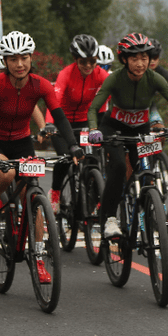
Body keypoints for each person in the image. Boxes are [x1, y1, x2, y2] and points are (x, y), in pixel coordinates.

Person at [0, 32, 80, 283]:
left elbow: (59, 116)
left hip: (22, 142)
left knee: (33, 197)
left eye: (24, 58)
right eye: (13, 59)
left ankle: (40, 259)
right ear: (5, 61)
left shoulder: (41, 85)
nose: (19, 64)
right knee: (6, 173)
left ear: (31, 58)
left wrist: (74, 146)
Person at [86, 33, 168, 239]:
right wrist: (94, 130)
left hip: (140, 130)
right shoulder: (115, 78)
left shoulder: (154, 78)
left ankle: (144, 205)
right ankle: (110, 218)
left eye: (144, 58)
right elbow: (93, 108)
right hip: (113, 129)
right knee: (118, 167)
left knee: (146, 169)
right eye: (134, 58)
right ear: (124, 60)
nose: (140, 63)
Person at [47, 34, 108, 207]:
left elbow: (112, 98)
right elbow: (54, 101)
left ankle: (95, 198)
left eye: (92, 60)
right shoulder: (65, 74)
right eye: (83, 62)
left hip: (84, 122)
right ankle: (55, 194)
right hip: (62, 122)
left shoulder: (101, 75)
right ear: (75, 59)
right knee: (66, 158)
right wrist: (50, 124)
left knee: (92, 158)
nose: (88, 65)